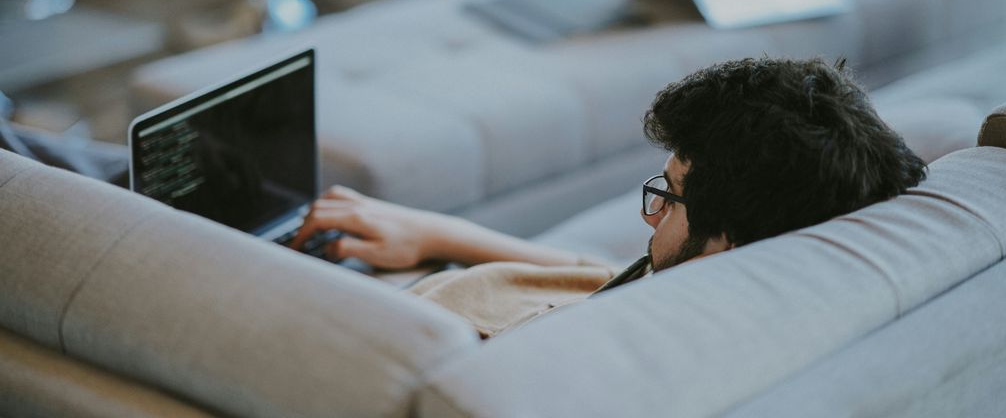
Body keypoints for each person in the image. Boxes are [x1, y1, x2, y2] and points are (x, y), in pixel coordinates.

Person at [290, 56, 927, 337]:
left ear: (727, 242)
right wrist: (435, 232)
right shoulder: (782, 260)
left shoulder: (571, 359)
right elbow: (604, 276)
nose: (652, 216)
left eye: (670, 197)